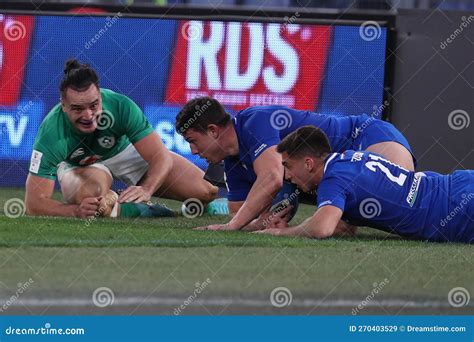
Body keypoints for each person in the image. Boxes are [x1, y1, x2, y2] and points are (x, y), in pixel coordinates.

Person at [175, 97, 415, 231]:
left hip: (365, 137)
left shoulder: (254, 120)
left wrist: (232, 227)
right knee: (340, 229)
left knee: (404, 203)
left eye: (193, 141)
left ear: (213, 130)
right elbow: (245, 215)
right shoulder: (233, 164)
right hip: (339, 179)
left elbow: (272, 177)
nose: (193, 151)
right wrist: (265, 222)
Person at [25, 59, 219, 218]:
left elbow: (161, 157)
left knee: (207, 191)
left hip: (122, 151)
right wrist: (76, 211)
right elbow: (33, 204)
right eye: (77, 109)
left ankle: (197, 205)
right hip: (79, 165)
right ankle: (144, 210)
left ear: (100, 97)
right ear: (63, 105)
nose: (88, 115)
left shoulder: (120, 106)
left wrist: (146, 189)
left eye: (94, 105)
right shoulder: (51, 133)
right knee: (93, 202)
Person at [256, 126, 473, 244]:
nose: (287, 175)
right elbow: (339, 225)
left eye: (288, 165)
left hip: (457, 211)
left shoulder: (333, 181)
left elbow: (322, 229)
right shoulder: (348, 158)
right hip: (458, 183)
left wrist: (280, 233)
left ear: (309, 163)